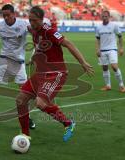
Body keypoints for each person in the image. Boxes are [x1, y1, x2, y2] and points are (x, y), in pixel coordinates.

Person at [16, 6, 94, 142]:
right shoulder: (33, 30)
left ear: (41, 20)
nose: (31, 23)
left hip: (55, 73)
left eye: (34, 20)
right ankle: (25, 135)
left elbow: (68, 44)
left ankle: (68, 123)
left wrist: (83, 62)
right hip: (40, 74)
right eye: (30, 20)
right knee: (20, 100)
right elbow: (29, 31)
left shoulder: (49, 32)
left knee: (40, 103)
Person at [0, 4, 35, 129]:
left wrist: (35, 53)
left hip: (19, 62)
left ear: (14, 14)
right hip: (3, 60)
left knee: (25, 93)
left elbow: (35, 35)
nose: (6, 17)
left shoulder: (23, 24)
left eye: (8, 15)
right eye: (4, 15)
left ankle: (27, 117)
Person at [95, 10, 125, 93]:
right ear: (101, 17)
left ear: (109, 17)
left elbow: (120, 36)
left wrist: (121, 48)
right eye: (103, 16)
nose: (104, 18)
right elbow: (97, 39)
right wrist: (97, 49)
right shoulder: (98, 27)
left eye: (106, 16)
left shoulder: (114, 26)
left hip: (112, 49)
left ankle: (122, 86)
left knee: (114, 67)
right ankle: (108, 85)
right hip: (102, 50)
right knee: (104, 68)